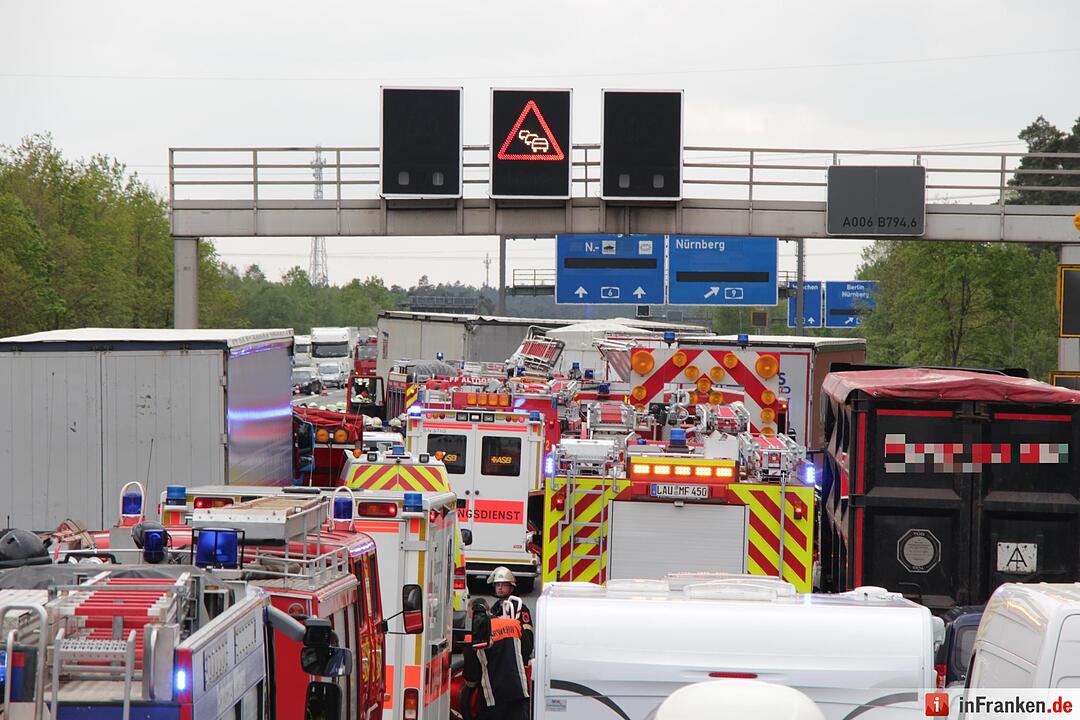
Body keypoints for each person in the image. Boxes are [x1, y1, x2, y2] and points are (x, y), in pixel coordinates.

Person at [463, 598, 530, 720]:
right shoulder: (513, 624)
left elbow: (472, 674)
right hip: (519, 691)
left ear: (475, 614)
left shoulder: (473, 638)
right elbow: (527, 650)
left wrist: (469, 688)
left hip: (493, 697)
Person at [487, 566, 533, 660]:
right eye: (497, 585)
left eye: (504, 585)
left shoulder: (520, 609)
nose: (500, 588)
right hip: (499, 654)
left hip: (516, 655)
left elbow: (528, 640)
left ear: (511, 588)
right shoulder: (494, 609)